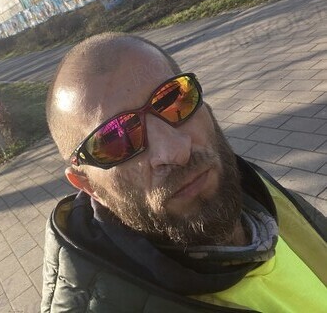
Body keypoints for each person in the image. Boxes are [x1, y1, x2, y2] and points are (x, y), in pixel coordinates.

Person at [42, 32, 326, 312]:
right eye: (115, 140)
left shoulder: (255, 190)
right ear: (88, 185)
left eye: (173, 99)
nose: (176, 151)